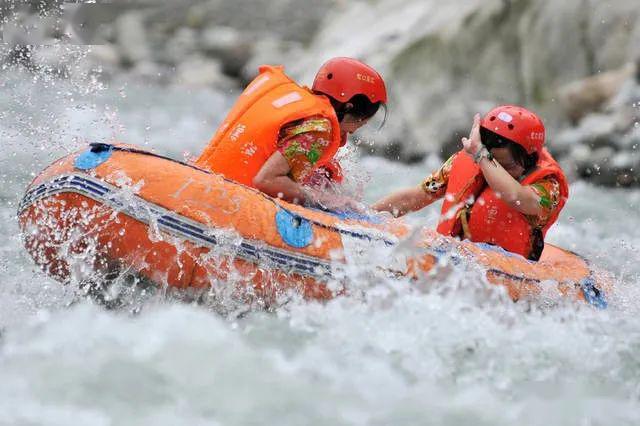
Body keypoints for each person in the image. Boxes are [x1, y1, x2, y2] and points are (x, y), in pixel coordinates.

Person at [372, 105, 569, 261]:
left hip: (508, 270)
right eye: (492, 161)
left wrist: (483, 157)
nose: (494, 170)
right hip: (459, 258)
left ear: (530, 158)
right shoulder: (469, 160)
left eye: (504, 165)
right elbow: (417, 196)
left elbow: (517, 198)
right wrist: (368, 216)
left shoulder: (549, 186)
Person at [195, 57, 387, 206]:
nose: (354, 132)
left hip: (203, 183)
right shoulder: (319, 130)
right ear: (349, 107)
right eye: (362, 122)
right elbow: (267, 181)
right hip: (227, 202)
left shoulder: (299, 106)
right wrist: (323, 201)